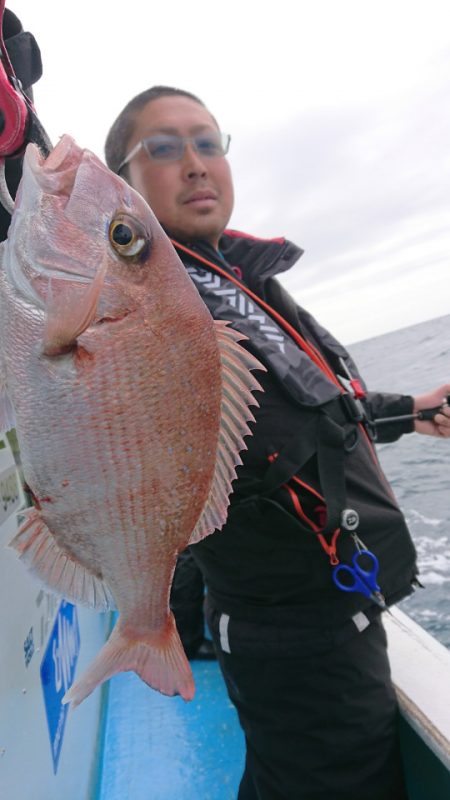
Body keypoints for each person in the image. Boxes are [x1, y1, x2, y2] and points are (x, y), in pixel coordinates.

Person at [103, 86, 450, 799]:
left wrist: (410, 410)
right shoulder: (141, 301)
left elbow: (312, 409)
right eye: (163, 148)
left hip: (327, 611)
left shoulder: (235, 277)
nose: (195, 163)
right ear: (123, 188)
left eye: (208, 141)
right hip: (297, 635)